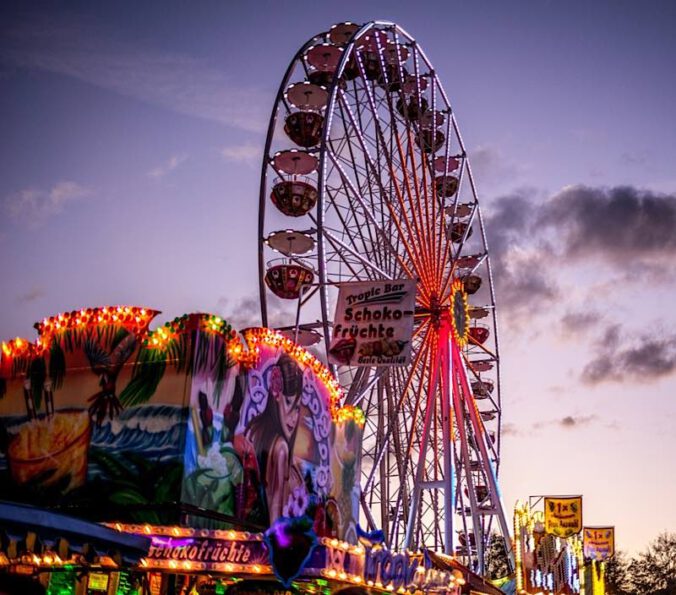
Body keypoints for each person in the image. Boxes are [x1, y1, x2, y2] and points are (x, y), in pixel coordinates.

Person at [246, 354, 304, 523]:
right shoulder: (281, 448)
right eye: (288, 402)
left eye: (297, 407)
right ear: (276, 395)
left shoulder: (254, 429)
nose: (293, 417)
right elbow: (275, 509)